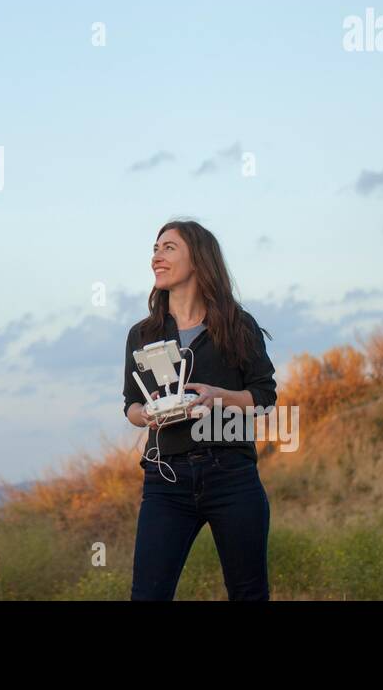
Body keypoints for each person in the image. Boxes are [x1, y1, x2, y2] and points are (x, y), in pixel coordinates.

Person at [123, 219, 278, 600]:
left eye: (168, 248)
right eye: (155, 248)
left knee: (249, 594)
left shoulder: (238, 325)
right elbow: (131, 404)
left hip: (232, 476)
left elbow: (264, 396)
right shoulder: (142, 334)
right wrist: (148, 416)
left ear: (198, 259)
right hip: (167, 481)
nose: (157, 256)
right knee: (147, 596)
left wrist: (218, 396)